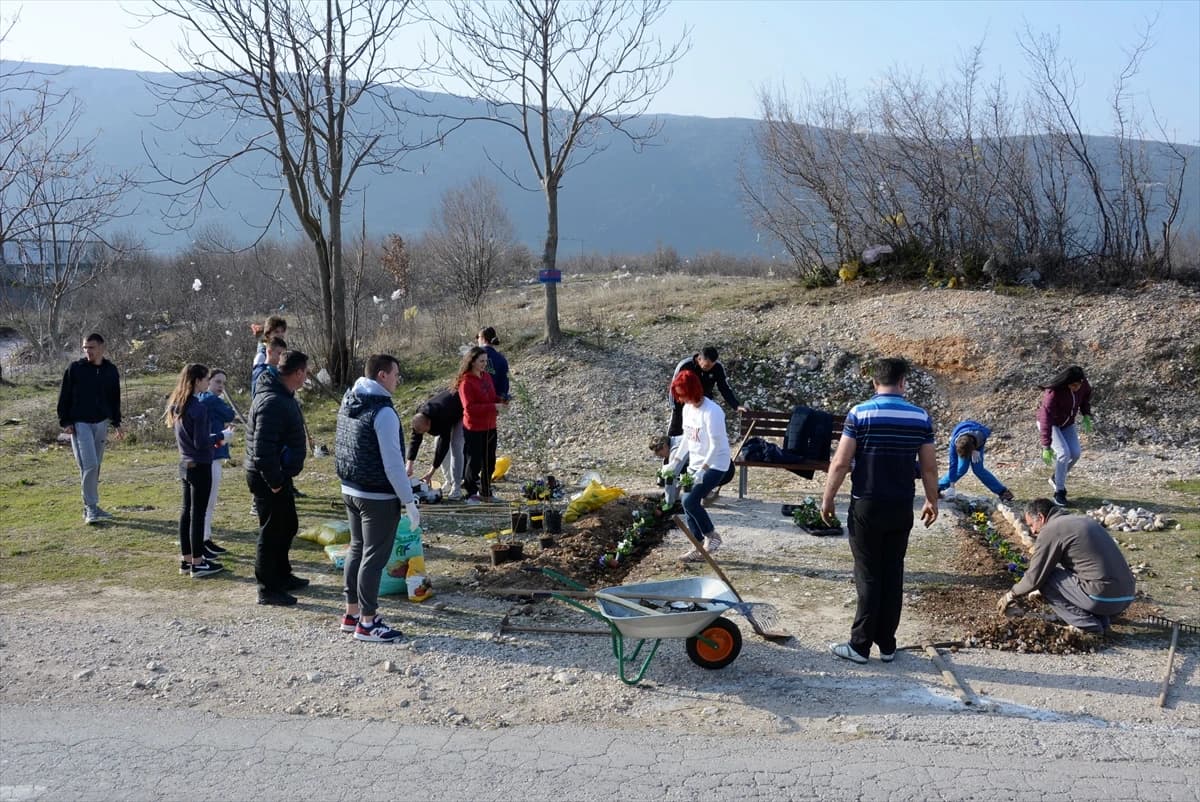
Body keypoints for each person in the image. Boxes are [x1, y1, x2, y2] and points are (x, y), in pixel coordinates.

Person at [820, 357, 939, 665]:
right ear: (903, 382)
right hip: (902, 506)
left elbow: (842, 462)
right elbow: (928, 466)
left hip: (867, 505)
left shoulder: (860, 414)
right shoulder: (920, 417)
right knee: (892, 572)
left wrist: (828, 497)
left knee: (869, 574)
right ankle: (887, 644)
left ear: (874, 383)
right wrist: (932, 500)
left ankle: (859, 646)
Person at [335, 354, 421, 643]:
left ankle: (352, 614)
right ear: (382, 375)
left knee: (356, 550)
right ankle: (368, 623)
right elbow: (393, 464)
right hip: (376, 496)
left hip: (350, 488)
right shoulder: (383, 412)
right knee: (374, 556)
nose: (398, 379)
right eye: (396, 374)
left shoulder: (350, 400)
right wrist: (408, 501)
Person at [997, 498, 1135, 633]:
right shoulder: (1083, 521)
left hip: (1103, 598)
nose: (1032, 531)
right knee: (1082, 575)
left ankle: (1087, 625)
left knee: (1047, 578)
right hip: (1125, 597)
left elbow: (1035, 576)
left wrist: (1012, 594)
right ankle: (1101, 621)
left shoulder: (1052, 529)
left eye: (1031, 525)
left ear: (1041, 517)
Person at [245, 350, 310, 606]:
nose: (306, 376)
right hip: (267, 477)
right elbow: (262, 449)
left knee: (288, 525)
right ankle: (267, 588)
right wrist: (274, 480)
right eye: (305, 371)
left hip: (279, 473)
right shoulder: (272, 400)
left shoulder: (283, 395)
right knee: (271, 531)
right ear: (297, 373)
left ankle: (283, 575)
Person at [56, 333, 123, 525]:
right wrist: (65, 421)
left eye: (91, 347)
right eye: (85, 347)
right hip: (79, 424)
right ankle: (90, 508)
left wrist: (116, 423)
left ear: (102, 347)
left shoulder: (110, 370)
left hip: (101, 423)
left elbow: (114, 398)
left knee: (96, 466)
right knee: (89, 464)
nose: (88, 351)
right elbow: (64, 396)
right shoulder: (75, 369)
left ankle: (93, 506)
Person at [166, 364, 225, 578]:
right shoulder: (198, 408)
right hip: (200, 464)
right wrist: (220, 437)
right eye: (206, 379)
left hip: (184, 463)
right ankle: (198, 563)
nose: (208, 382)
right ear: (198, 381)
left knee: (186, 512)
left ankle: (187, 559)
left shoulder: (177, 404)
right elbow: (201, 442)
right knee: (197, 515)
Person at [670, 371, 733, 560]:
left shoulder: (712, 412)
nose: (680, 398)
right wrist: (675, 462)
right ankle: (696, 544)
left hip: (716, 464)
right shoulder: (687, 408)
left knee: (690, 500)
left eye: (683, 394)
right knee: (686, 501)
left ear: (693, 390)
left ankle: (712, 536)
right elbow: (687, 439)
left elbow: (715, 445)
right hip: (695, 465)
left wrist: (703, 470)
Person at [1037, 365, 1094, 508]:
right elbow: (1045, 419)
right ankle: (1059, 492)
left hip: (1067, 423)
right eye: (1074, 385)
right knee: (1063, 453)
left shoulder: (1083, 385)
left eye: (1079, 384)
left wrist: (1086, 414)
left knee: (1075, 453)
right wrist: (1046, 445)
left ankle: (1056, 478)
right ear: (1067, 383)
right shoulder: (1053, 393)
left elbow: (1085, 398)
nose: (1077, 388)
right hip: (1051, 424)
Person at [457, 345, 504, 504]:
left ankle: (486, 491)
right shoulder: (466, 382)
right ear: (472, 362)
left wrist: (500, 400)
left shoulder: (487, 377)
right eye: (481, 361)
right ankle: (470, 492)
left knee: (490, 462)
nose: (484, 364)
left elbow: (491, 397)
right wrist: (493, 407)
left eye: (485, 361)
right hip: (474, 428)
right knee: (474, 462)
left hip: (490, 426)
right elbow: (469, 408)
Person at [668, 346, 747, 438]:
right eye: (706, 366)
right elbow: (674, 387)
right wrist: (675, 407)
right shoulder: (685, 365)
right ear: (699, 358)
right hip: (682, 404)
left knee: (700, 435)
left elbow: (724, 387)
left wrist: (736, 405)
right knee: (675, 433)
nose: (709, 369)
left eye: (711, 366)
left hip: (703, 404)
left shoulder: (717, 367)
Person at [198, 369, 236, 557]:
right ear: (208, 381)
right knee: (208, 502)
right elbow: (230, 414)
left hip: (214, 453)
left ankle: (206, 538)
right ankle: (203, 540)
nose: (221, 386)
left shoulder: (206, 400)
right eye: (217, 382)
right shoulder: (211, 400)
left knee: (208, 502)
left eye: (223, 383)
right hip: (210, 456)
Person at [406, 387, 465, 501]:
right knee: (436, 441)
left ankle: (456, 487)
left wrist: (431, 472)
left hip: (460, 409)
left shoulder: (442, 416)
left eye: (425, 431)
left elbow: (443, 445)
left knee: (455, 445)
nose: (424, 434)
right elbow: (415, 439)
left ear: (429, 424)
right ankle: (449, 480)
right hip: (447, 408)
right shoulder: (420, 416)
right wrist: (409, 464)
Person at [938, 420, 1014, 502]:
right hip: (965, 438)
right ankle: (937, 487)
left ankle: (1003, 492)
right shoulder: (954, 444)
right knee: (961, 468)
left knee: (978, 469)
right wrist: (952, 485)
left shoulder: (980, 435)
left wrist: (977, 449)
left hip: (976, 443)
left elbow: (987, 432)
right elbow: (953, 465)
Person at [477, 326, 510, 401]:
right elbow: (505, 383)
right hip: (497, 400)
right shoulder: (502, 358)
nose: (477, 339)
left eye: (477, 337)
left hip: (479, 400)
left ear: (483, 338)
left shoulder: (475, 355)